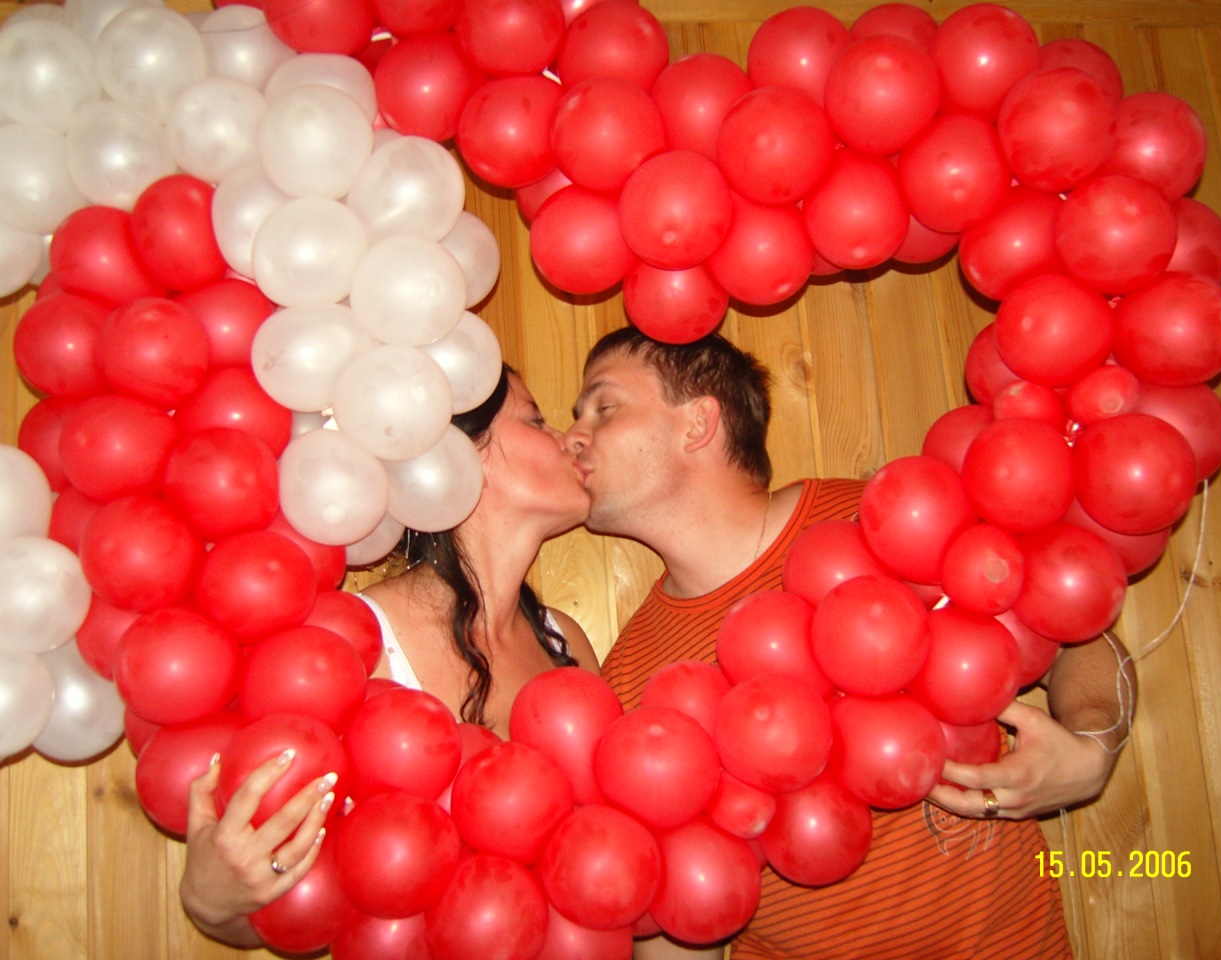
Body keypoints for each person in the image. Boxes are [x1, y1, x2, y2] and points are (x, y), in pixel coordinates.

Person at [565, 328, 1137, 960]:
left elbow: (1077, 638)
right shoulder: (632, 679)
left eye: (604, 407)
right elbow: (682, 907)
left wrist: (1093, 743)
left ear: (698, 423)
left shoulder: (883, 522)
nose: (573, 437)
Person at [178, 366, 598, 948]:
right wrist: (209, 898)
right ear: (453, 460)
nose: (569, 439)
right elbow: (291, 895)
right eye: (535, 419)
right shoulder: (350, 644)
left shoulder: (565, 640)